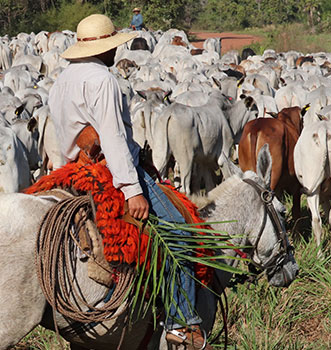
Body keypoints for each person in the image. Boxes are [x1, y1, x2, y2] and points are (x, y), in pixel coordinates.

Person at [49, 13, 207, 350]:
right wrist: (132, 190)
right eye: (112, 47)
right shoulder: (102, 80)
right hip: (109, 171)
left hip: (72, 170)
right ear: (104, 49)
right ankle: (182, 324)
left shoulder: (62, 80)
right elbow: (113, 138)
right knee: (179, 230)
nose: (115, 53)